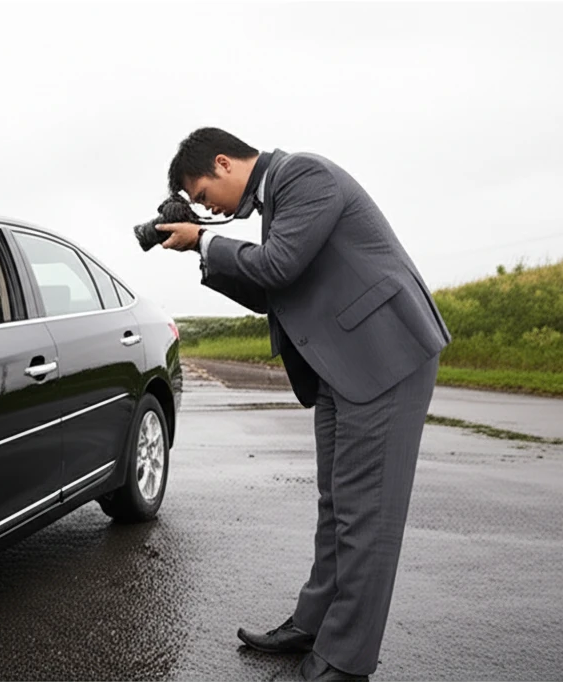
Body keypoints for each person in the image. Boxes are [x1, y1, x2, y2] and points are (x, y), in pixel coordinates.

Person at [155, 128, 451, 682]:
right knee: (336, 504)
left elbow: (277, 267)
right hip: (344, 364)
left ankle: (344, 658)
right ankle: (314, 624)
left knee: (368, 518)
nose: (203, 207)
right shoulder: (279, 201)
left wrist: (203, 240)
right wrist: (204, 255)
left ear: (223, 163)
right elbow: (273, 292)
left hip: (384, 353)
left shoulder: (303, 176)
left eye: (200, 193)